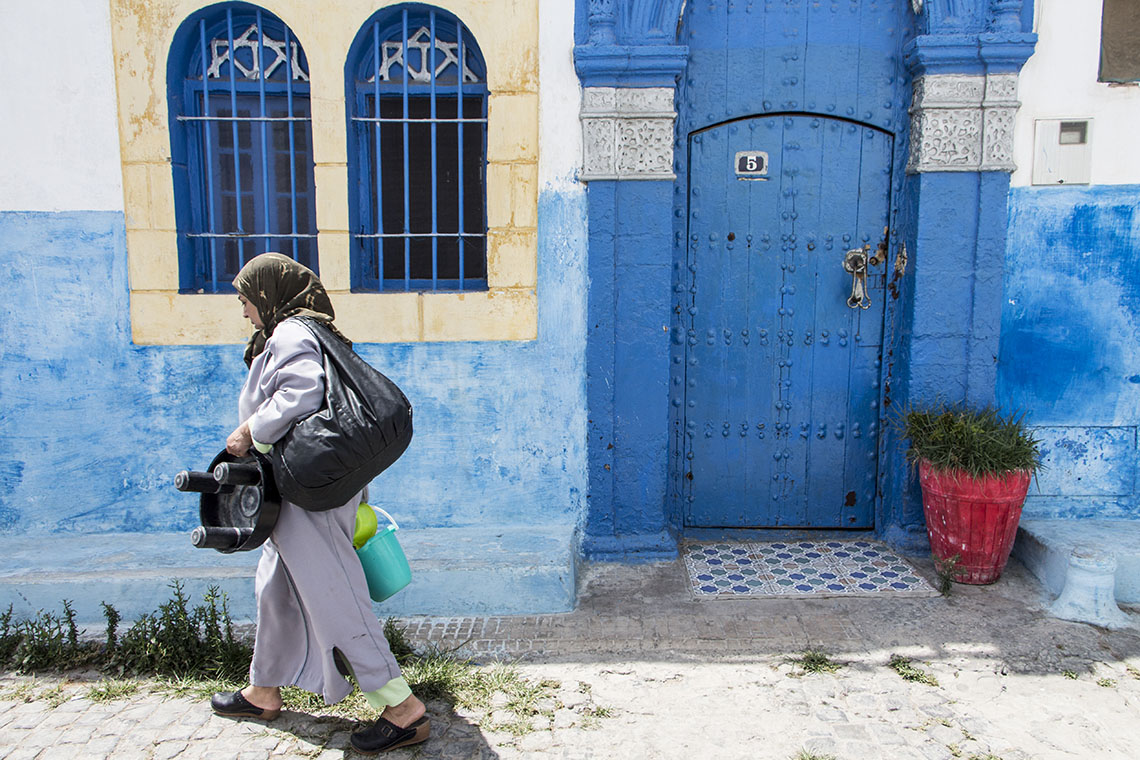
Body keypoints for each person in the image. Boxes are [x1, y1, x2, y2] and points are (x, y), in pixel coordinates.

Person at [209, 252, 429, 754]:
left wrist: (249, 430)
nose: (244, 311)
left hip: (309, 500)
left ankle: (403, 709)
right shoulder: (301, 331)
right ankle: (263, 689)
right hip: (296, 495)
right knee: (276, 589)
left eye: (245, 300)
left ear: (268, 295)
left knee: (336, 596)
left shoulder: (290, 332)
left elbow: (302, 393)